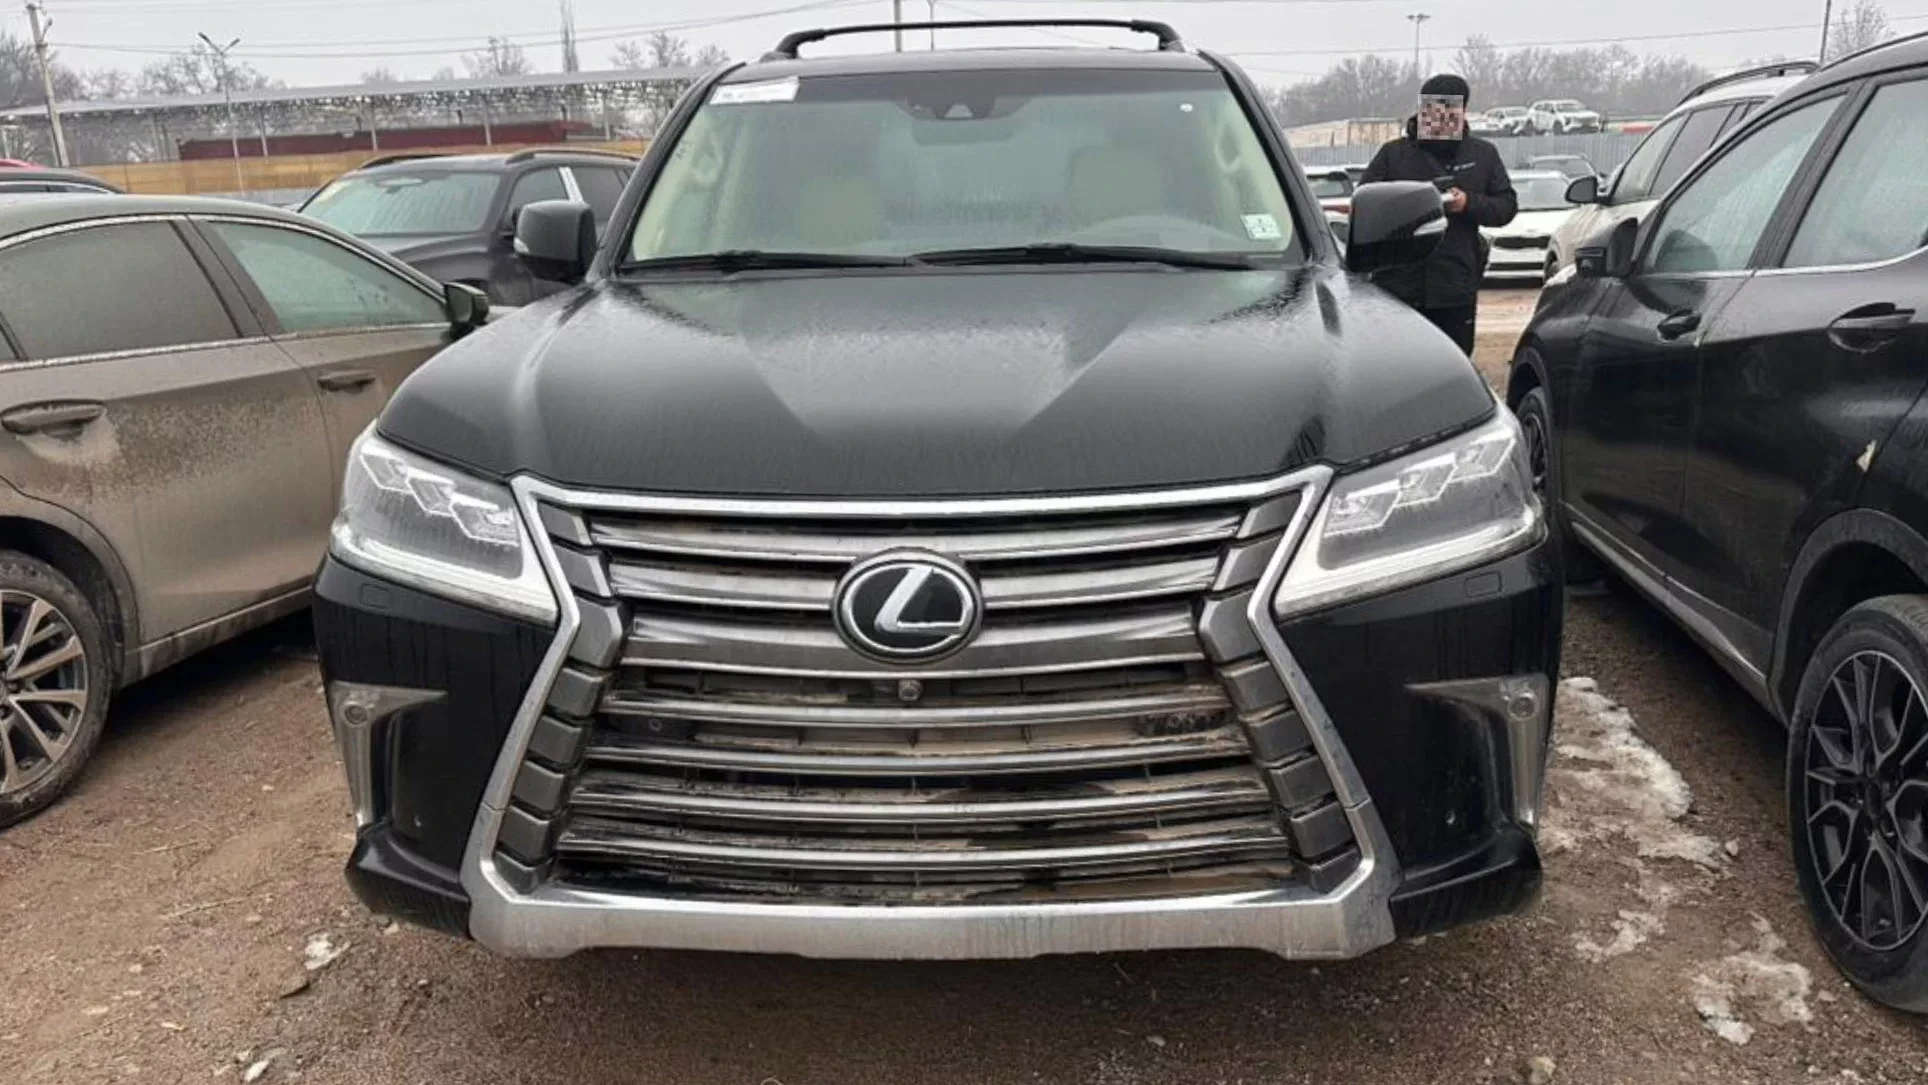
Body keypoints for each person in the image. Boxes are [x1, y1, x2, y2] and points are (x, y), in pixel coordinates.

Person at [1360, 73, 1518, 356]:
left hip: (1454, 286)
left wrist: (1468, 203)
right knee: (1396, 366)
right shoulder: (1394, 154)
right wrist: (1414, 205)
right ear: (1423, 109)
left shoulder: (1482, 154)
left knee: (1454, 364)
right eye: (1434, 110)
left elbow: (1506, 206)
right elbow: (1366, 203)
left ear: (1464, 111)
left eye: (1450, 110)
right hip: (1398, 287)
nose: (1442, 118)